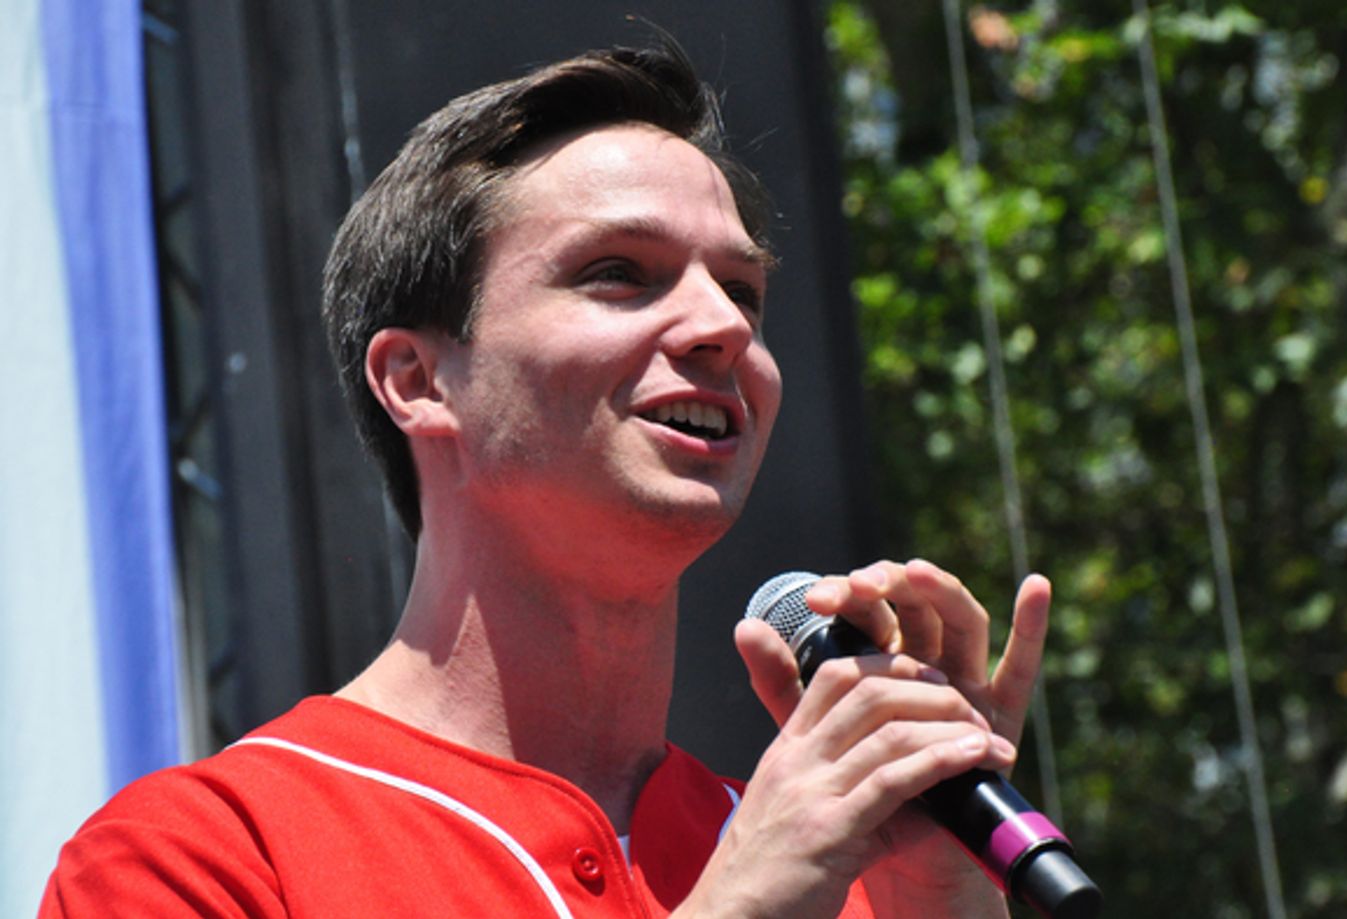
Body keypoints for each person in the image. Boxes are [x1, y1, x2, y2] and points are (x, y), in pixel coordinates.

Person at [40, 37, 1051, 918]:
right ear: (416, 378)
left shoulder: (842, 858)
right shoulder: (199, 856)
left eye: (741, 290)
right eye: (619, 271)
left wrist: (937, 901)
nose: (722, 327)